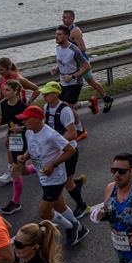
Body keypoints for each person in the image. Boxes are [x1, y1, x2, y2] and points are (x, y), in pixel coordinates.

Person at [14, 106, 89, 247]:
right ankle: (80, 228)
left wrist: (53, 165)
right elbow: (31, 148)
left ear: (37, 119)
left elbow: (70, 150)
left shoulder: (51, 135)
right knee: (60, 206)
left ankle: (71, 227)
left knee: (44, 212)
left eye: (26, 119)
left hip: (55, 178)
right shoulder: (30, 132)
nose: (23, 122)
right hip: (43, 176)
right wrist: (24, 157)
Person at [38, 82, 89, 220]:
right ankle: (62, 204)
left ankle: (82, 206)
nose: (44, 96)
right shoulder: (46, 107)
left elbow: (73, 134)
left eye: (47, 94)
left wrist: (56, 140)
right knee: (61, 181)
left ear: (56, 94)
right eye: (44, 93)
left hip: (68, 151)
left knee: (67, 183)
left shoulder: (65, 110)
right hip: (57, 150)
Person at [61, 10, 114, 114]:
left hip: (81, 61)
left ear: (72, 19)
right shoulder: (65, 30)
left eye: (65, 17)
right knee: (86, 82)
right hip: (73, 62)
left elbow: (83, 48)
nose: (63, 19)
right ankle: (102, 99)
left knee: (90, 81)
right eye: (63, 17)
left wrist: (72, 56)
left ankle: (105, 98)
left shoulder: (75, 31)